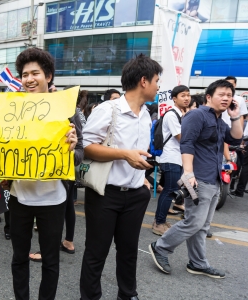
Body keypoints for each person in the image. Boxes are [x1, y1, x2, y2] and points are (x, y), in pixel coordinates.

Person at [80, 54, 162, 300]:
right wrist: (124, 155)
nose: (159, 86)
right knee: (97, 252)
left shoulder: (146, 114)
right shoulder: (108, 109)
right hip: (105, 194)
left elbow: (138, 152)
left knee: (128, 251)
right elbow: (86, 147)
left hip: (136, 195)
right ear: (144, 81)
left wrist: (143, 179)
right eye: (157, 80)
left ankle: (128, 294)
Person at [7, 47, 81, 300]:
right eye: (24, 74)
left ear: (48, 76)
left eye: (35, 73)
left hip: (54, 199)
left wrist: (72, 149)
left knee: (50, 260)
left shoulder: (67, 110)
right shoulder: (11, 110)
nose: (29, 79)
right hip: (19, 197)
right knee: (19, 257)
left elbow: (81, 155)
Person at [149, 80, 243, 279]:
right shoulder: (196, 115)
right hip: (199, 178)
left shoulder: (220, 120)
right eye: (222, 94)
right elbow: (187, 143)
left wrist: (235, 117)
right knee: (194, 222)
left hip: (214, 178)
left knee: (202, 226)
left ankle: (197, 263)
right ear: (209, 96)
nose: (226, 98)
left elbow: (235, 139)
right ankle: (161, 247)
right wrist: (189, 173)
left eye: (229, 95)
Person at [152, 85, 190, 236]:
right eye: (183, 95)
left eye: (188, 95)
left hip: (176, 158)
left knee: (170, 190)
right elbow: (181, 137)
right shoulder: (172, 114)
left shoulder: (181, 114)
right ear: (174, 98)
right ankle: (158, 222)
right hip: (170, 157)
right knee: (169, 191)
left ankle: (161, 220)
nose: (187, 98)